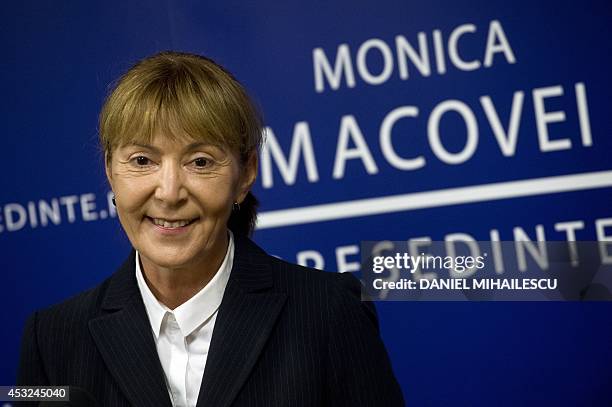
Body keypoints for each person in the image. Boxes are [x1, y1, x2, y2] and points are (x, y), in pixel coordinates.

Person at [18, 51, 404, 407]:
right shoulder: (52, 339)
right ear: (109, 170)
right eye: (141, 160)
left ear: (246, 173)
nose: (169, 193)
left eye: (200, 162)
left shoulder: (330, 312)